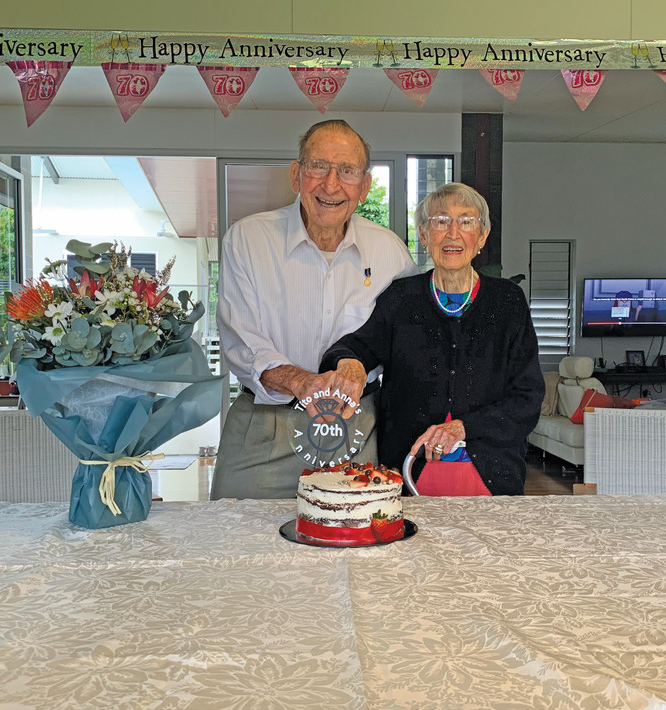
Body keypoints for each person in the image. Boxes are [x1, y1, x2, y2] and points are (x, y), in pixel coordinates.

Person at [211, 120, 418, 500]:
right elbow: (241, 342)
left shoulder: (391, 252)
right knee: (240, 549)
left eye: (347, 171)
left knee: (355, 549)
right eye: (318, 166)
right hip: (265, 427)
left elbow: (407, 346)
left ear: (365, 185)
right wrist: (302, 382)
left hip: (357, 429)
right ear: (296, 174)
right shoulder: (248, 239)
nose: (331, 184)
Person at [319, 182, 545, 496]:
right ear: (425, 236)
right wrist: (350, 364)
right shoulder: (402, 299)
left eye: (466, 222)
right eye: (440, 221)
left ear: (481, 237)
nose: (453, 233)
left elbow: (528, 397)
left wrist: (464, 427)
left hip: (492, 477)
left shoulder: (508, 302)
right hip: (409, 474)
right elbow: (355, 346)